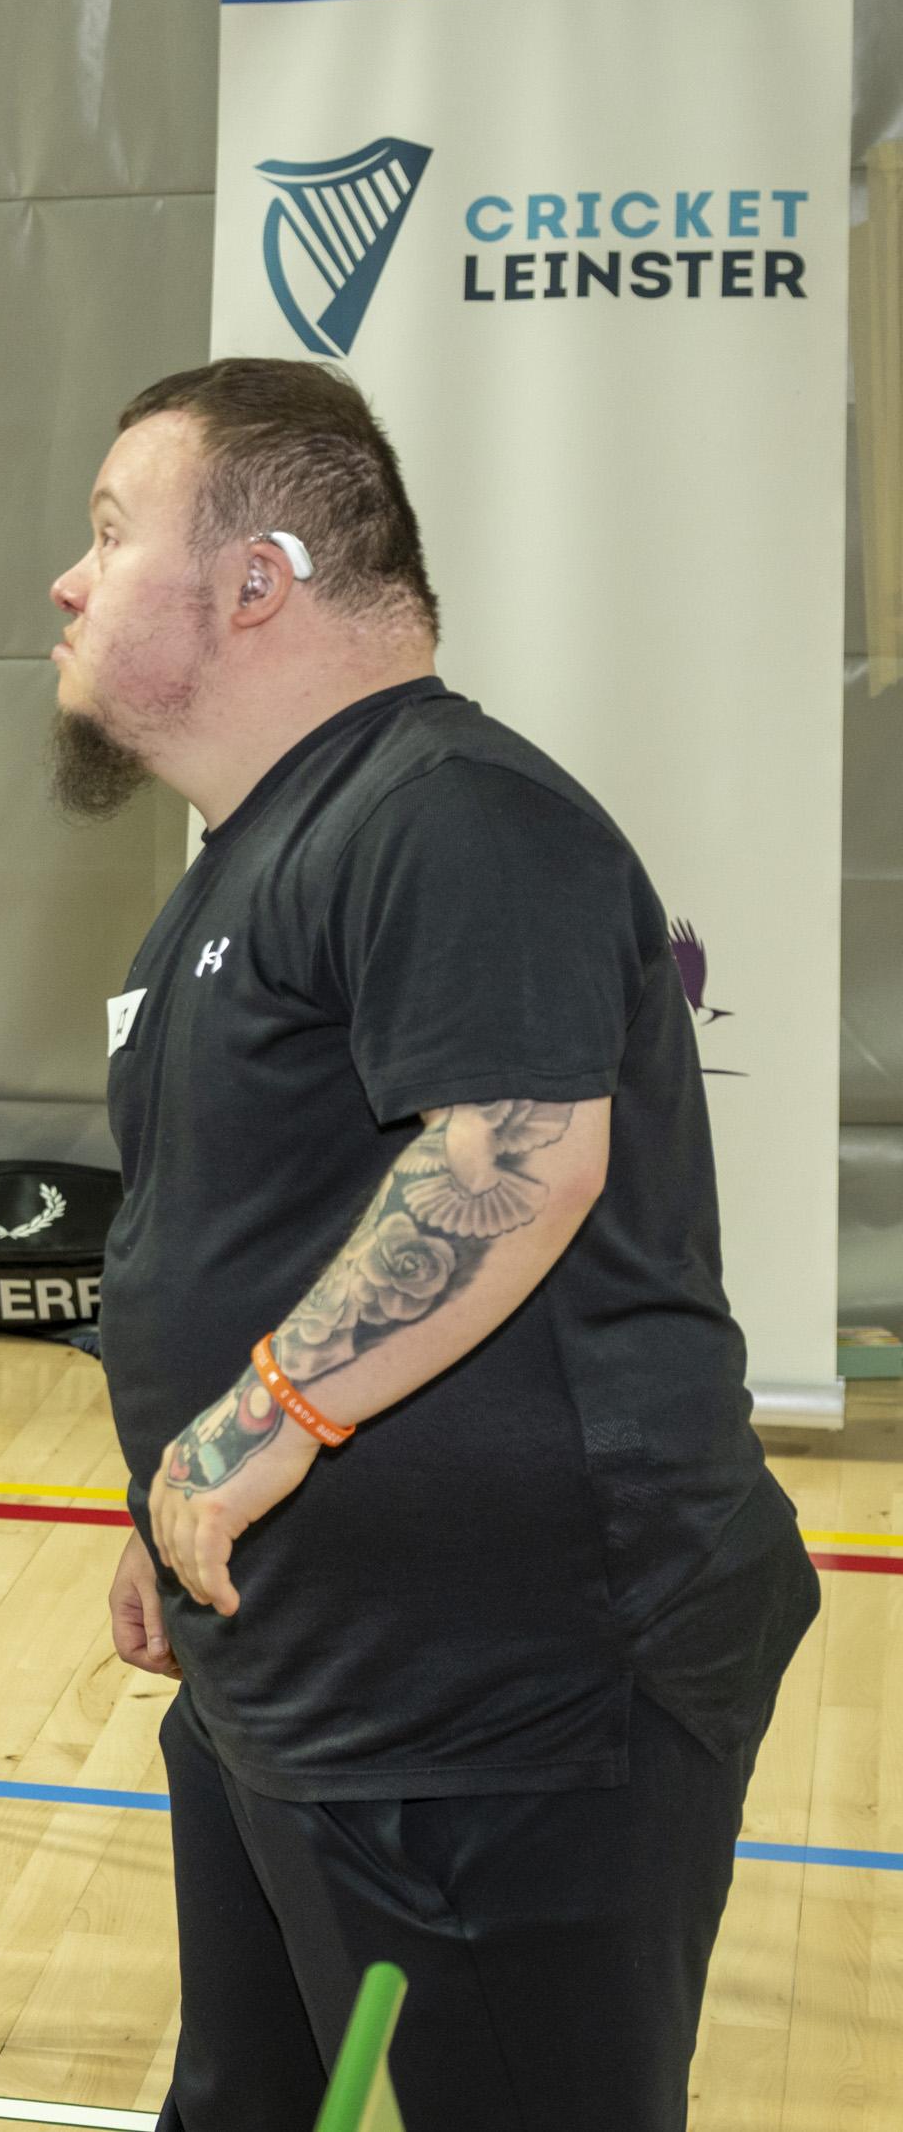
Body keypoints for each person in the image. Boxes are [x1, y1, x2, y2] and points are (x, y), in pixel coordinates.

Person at [52, 359, 820, 2128]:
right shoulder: (259, 853)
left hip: (499, 1713)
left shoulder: (450, 811)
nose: (70, 583)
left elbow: (517, 1150)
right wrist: (172, 1494)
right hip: (304, 1673)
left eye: (109, 532)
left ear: (257, 581)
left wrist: (248, 1435)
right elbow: (262, 1218)